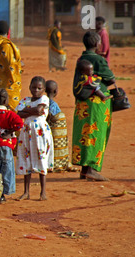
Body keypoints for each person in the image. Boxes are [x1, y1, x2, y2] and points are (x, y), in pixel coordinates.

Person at [72, 31, 115, 181]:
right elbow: (110, 79)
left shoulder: (81, 59)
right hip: (96, 104)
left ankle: (85, 169)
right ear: (97, 44)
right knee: (95, 134)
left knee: (84, 135)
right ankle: (90, 169)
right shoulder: (98, 60)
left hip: (82, 103)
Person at [16, 76, 54, 201]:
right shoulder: (26, 99)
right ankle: (26, 192)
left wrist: (27, 110)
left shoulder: (44, 99)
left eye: (39, 88)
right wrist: (32, 111)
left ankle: (43, 192)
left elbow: (38, 110)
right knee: (26, 159)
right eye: (34, 87)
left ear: (44, 89)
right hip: (27, 134)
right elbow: (18, 114)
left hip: (40, 134)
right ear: (29, 87)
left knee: (41, 158)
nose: (36, 90)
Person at [45, 80, 76, 172]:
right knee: (58, 146)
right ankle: (58, 164)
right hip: (56, 133)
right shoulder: (53, 105)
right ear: (56, 91)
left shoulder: (45, 102)